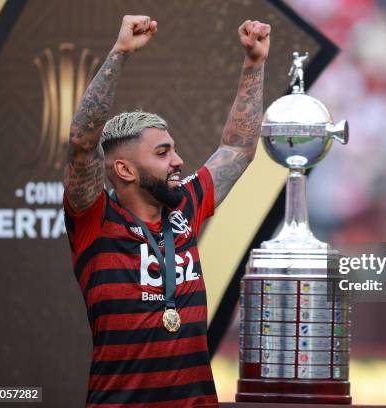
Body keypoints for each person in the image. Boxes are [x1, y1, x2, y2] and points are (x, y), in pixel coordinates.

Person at [63, 15, 270, 407]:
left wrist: (253, 64)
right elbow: (82, 143)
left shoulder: (184, 207)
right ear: (124, 169)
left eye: (174, 149)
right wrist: (120, 52)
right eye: (163, 153)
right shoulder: (95, 221)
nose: (178, 160)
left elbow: (237, 149)